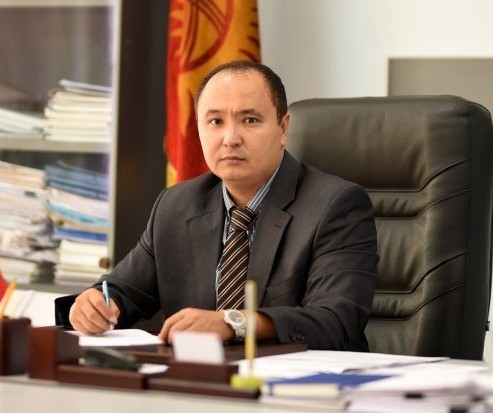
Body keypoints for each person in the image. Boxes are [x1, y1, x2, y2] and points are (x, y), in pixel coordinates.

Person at [68, 60, 378, 351]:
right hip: (197, 379)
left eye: (250, 120)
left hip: (296, 384)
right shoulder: (176, 205)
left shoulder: (335, 206)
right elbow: (122, 291)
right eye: (215, 121)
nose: (230, 138)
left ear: (283, 129)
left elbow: (336, 321)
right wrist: (94, 303)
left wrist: (233, 323)